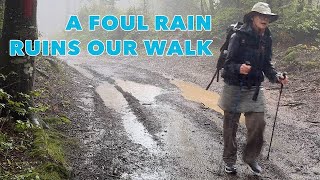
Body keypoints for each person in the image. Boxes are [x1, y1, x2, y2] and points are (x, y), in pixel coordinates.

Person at [218, 2, 288, 176]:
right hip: (234, 87)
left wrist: (276, 76)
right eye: (261, 16)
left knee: (258, 124)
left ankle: (251, 157)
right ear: (252, 17)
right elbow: (227, 66)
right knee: (230, 127)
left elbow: (266, 64)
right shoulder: (238, 36)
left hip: (254, 88)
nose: (265, 19)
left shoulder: (267, 37)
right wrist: (238, 68)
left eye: (268, 17)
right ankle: (229, 160)